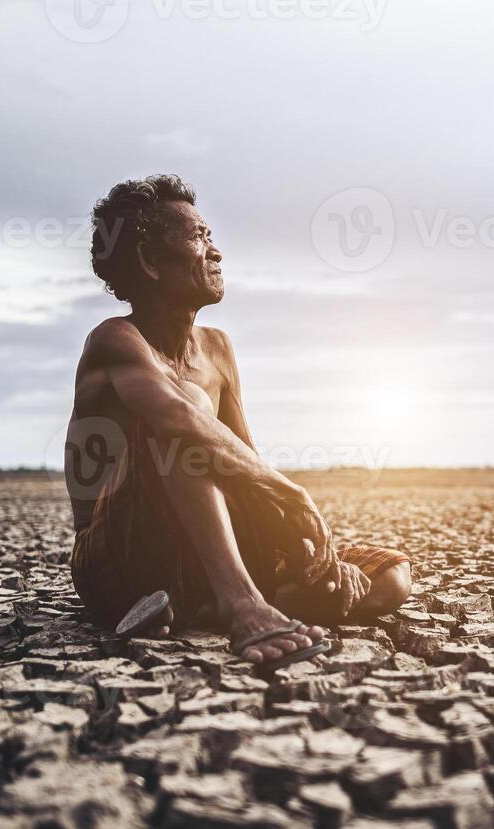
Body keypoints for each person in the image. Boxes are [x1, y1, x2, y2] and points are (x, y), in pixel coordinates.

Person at [65, 175, 411, 667]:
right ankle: (241, 603)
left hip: (195, 556)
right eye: (199, 237)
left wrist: (309, 547)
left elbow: (244, 463)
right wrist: (293, 493)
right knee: (189, 415)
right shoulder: (115, 341)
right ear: (148, 261)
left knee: (391, 576)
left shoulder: (218, 349)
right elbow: (181, 419)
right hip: (116, 562)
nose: (216, 252)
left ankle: (202, 608)